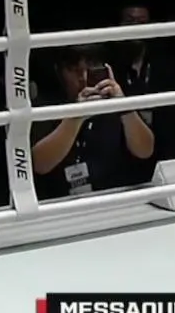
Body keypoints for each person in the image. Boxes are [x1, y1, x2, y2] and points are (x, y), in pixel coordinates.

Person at [31, 45, 155, 199]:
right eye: (74, 70)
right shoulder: (46, 107)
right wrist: (75, 118)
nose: (83, 78)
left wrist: (124, 108)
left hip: (111, 197)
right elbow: (39, 164)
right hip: (60, 201)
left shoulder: (115, 101)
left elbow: (145, 150)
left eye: (90, 71)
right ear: (60, 72)